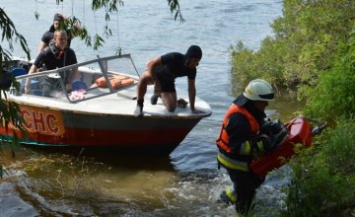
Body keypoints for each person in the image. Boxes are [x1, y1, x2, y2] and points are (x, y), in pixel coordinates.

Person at [216, 79, 286, 215]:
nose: (266, 104)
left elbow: (255, 126)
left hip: (235, 156)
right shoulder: (238, 119)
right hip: (233, 160)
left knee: (255, 181)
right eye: (263, 101)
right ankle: (243, 213)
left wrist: (268, 127)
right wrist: (259, 145)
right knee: (247, 190)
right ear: (254, 100)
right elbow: (238, 148)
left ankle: (225, 198)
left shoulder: (250, 108)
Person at [134, 45, 204, 116]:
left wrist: (193, 108)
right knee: (143, 78)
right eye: (194, 60)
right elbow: (150, 64)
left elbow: (191, 88)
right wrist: (156, 82)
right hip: (156, 74)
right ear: (189, 58)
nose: (196, 64)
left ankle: (158, 94)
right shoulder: (174, 57)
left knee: (171, 108)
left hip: (168, 81)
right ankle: (139, 105)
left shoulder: (192, 70)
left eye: (198, 61)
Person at [25, 30, 79, 97]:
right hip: (49, 86)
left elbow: (75, 69)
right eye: (61, 39)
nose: (64, 41)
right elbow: (33, 69)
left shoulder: (70, 52)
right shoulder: (46, 52)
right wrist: (27, 87)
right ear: (55, 40)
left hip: (65, 86)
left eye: (65, 39)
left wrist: (70, 83)